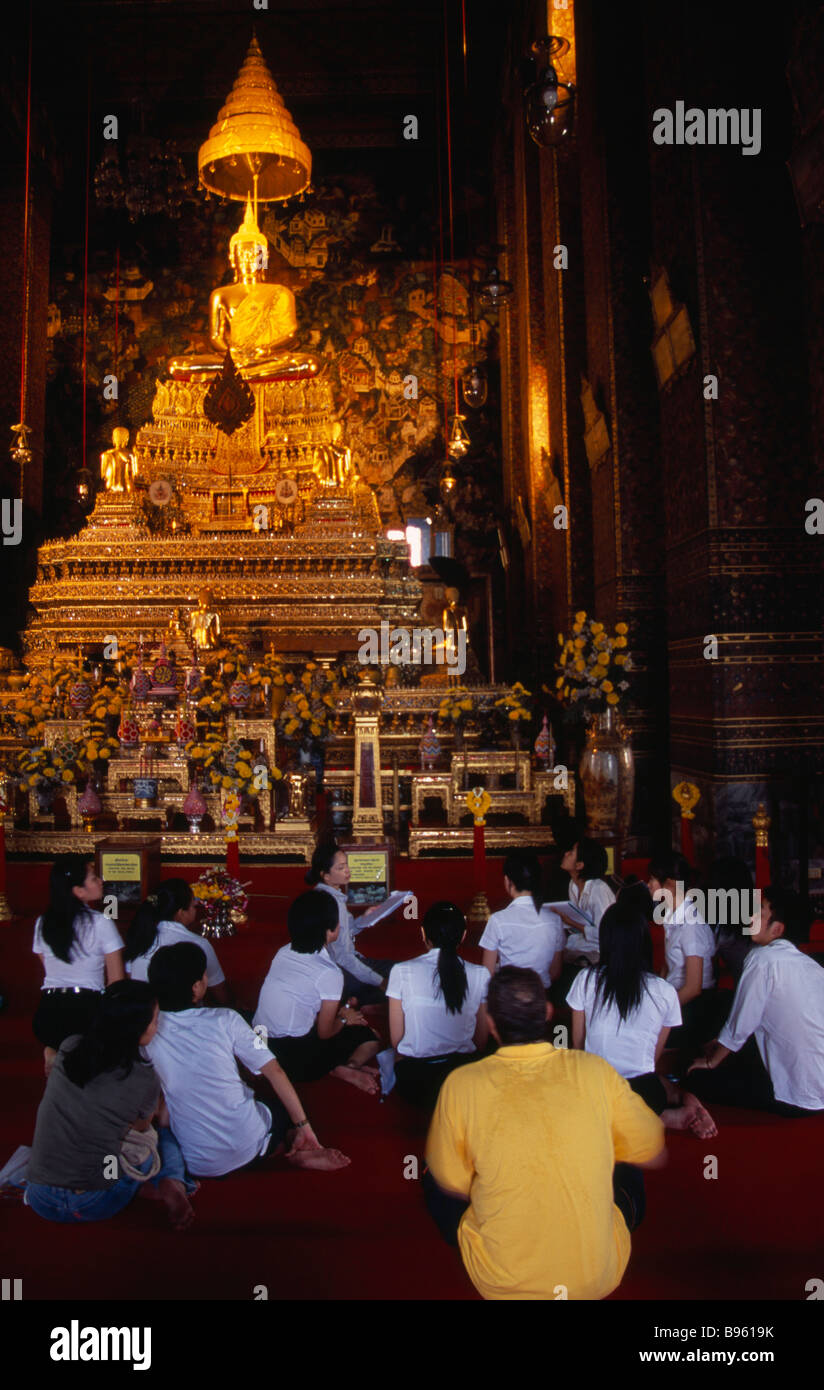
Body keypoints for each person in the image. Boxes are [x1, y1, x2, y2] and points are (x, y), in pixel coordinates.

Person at [424, 967, 666, 1301]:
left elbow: (453, 1180)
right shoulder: (594, 1070)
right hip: (595, 1278)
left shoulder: (461, 1084)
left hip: (502, 1281)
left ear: (490, 1022)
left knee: (431, 1173)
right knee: (625, 1159)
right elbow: (652, 1147)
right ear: (548, 1014)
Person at [144, 942, 349, 1176]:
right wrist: (304, 1126)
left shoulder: (147, 1032)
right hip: (250, 1149)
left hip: (197, 1163)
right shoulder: (226, 1019)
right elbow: (275, 1072)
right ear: (197, 987)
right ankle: (294, 1144)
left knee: (169, 1123)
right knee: (278, 1107)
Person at [24, 980, 197, 1230]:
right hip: (97, 1199)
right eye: (155, 1020)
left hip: (40, 1196)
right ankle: (171, 1181)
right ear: (137, 1028)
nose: (157, 1027)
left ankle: (125, 1179)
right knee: (161, 1135)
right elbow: (139, 1129)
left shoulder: (70, 1047)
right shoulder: (144, 1078)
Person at [567, 904, 716, 1138]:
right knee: (653, 1082)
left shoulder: (585, 979)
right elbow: (651, 1059)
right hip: (646, 1093)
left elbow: (578, 1045)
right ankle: (668, 1109)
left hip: (596, 1091)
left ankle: (645, 1119)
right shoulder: (665, 991)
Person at [688, 886, 824, 1115]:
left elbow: (741, 1025)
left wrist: (711, 1062)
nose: (751, 917)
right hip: (818, 1080)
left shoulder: (762, 959)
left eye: (760, 912)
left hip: (797, 1094)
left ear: (777, 929)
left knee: (696, 1077)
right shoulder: (813, 967)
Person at [254, 892, 382, 1094]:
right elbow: (325, 1033)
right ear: (330, 931)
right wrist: (344, 1018)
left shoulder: (284, 951)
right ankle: (345, 1068)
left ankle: (337, 1065)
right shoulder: (329, 972)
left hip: (258, 1046)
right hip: (295, 1060)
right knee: (371, 1037)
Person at [387, 901, 490, 1108]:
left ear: (423, 934)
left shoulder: (401, 970)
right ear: (462, 936)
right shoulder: (481, 974)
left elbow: (397, 1042)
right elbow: (480, 1042)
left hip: (416, 1084)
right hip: (464, 1082)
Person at [32, 854, 124, 1074]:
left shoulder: (43, 923)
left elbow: (47, 965)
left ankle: (54, 1051)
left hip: (48, 1012)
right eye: (93, 878)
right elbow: (116, 981)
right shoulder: (101, 922)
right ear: (78, 891)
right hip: (85, 1012)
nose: (101, 881)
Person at [307, 839, 390, 1005]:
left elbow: (345, 930)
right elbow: (344, 957)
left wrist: (363, 920)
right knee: (396, 981)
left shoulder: (325, 893)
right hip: (340, 970)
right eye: (340, 868)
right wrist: (380, 981)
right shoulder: (333, 903)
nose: (347, 871)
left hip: (340, 964)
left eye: (346, 865)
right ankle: (351, 1002)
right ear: (326, 875)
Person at [647, 852, 716, 1048]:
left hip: (691, 1006)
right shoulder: (670, 915)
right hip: (674, 997)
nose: (648, 884)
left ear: (669, 884)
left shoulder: (691, 924)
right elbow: (668, 967)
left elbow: (693, 988)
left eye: (652, 878)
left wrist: (661, 1011)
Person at [124, 878, 229, 1004]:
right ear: (180, 913)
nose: (195, 910)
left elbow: (133, 984)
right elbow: (220, 992)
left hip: (144, 1017)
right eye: (193, 906)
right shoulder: (198, 944)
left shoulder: (140, 938)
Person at [479, 849, 565, 989]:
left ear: (507, 881)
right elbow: (554, 973)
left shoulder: (498, 920)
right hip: (541, 999)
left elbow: (488, 973)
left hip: (508, 999)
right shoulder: (555, 920)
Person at [556, 837, 615, 965]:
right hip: (583, 942)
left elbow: (605, 934)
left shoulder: (599, 890)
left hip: (602, 949)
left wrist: (571, 922)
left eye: (571, 852)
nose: (566, 853)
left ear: (579, 865)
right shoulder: (573, 885)